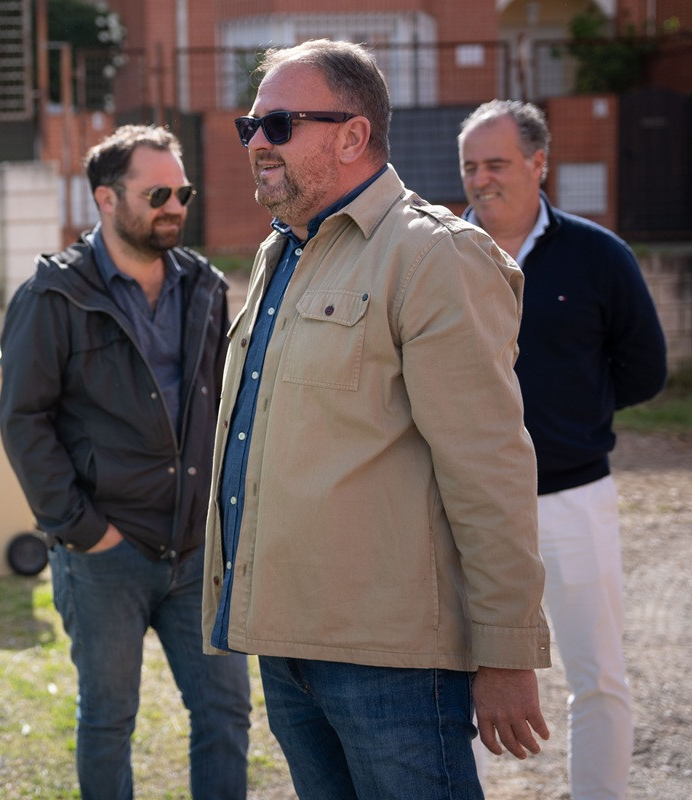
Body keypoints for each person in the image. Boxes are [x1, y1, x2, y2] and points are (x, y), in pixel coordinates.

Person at [204, 39, 553, 800]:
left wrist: (505, 651)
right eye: (250, 126)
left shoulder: (434, 256)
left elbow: (487, 466)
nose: (257, 142)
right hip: (286, 640)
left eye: (280, 124)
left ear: (353, 134)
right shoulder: (281, 253)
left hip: (390, 659)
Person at [0, 124, 251, 800]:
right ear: (106, 200)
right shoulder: (52, 296)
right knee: (109, 721)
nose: (175, 205)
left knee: (226, 713)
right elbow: (23, 421)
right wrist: (84, 530)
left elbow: (225, 407)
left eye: (183, 192)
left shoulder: (203, 284)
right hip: (104, 553)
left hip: (198, 550)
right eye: (158, 192)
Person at [458, 100, 667, 800]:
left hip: (574, 495)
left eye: (497, 163)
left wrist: (570, 421)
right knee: (456, 679)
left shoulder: (598, 254)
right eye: (471, 166)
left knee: (597, 673)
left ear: (539, 163)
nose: (481, 178)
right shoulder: (440, 255)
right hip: (463, 505)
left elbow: (644, 368)